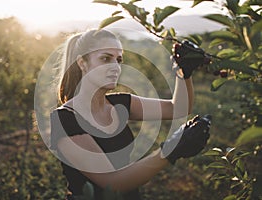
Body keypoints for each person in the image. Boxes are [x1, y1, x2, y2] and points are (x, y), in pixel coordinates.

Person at [50, 29, 211, 200]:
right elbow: (113, 183)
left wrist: (183, 72)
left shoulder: (121, 103)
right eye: (105, 58)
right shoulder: (65, 120)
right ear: (82, 63)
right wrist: (170, 150)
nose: (115, 67)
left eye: (119, 60)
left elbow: (178, 108)